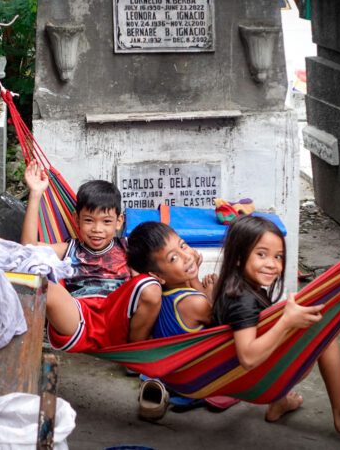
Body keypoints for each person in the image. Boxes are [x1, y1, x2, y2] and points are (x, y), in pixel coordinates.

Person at [211, 215, 340, 433]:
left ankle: (278, 404)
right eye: (261, 254)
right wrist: (286, 322)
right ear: (238, 257)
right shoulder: (243, 300)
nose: (272, 264)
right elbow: (249, 358)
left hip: (245, 375)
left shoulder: (235, 287)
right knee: (324, 334)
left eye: (278, 257)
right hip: (257, 378)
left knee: (307, 318)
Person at [127, 221, 238, 419]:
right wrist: (210, 293)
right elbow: (222, 327)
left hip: (169, 372)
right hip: (192, 377)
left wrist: (193, 277)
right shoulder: (195, 302)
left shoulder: (160, 293)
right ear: (158, 275)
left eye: (183, 245)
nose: (187, 256)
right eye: (174, 257)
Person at [21, 161, 130, 298]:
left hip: (117, 313)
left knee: (150, 288)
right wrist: (36, 193)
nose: (97, 229)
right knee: (48, 285)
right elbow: (29, 249)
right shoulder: (69, 249)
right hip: (77, 315)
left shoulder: (127, 249)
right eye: (89, 220)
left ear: (118, 222)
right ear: (77, 219)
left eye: (106, 221)